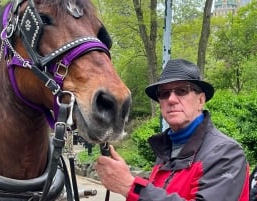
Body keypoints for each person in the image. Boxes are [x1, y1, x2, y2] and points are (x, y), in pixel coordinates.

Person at [95, 58, 249, 200]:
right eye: (164, 93)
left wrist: (131, 186)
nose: (171, 99)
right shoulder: (165, 151)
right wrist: (126, 177)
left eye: (182, 91)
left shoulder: (225, 153)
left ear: (200, 100)